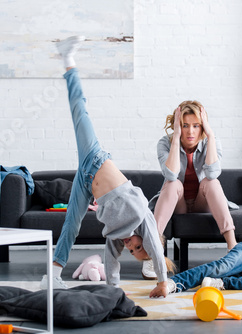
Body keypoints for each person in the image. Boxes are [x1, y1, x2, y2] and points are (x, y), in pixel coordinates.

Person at [40, 36, 174, 298]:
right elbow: (157, 251)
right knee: (81, 111)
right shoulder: (142, 218)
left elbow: (111, 262)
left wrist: (113, 290)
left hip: (86, 181)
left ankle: (53, 275)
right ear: (143, 238)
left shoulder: (116, 236)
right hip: (96, 159)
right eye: (137, 247)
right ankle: (68, 59)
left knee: (72, 224)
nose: (130, 248)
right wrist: (162, 281)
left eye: (133, 253)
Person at [142, 101, 238, 279]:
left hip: (203, 202)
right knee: (173, 183)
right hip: (179, 203)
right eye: (185, 125)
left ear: (203, 126)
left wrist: (210, 136)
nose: (190, 131)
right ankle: (152, 253)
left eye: (196, 125)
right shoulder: (165, 143)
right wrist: (176, 138)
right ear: (178, 125)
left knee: (211, 182)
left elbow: (212, 172)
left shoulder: (212, 141)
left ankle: (233, 250)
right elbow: (170, 174)